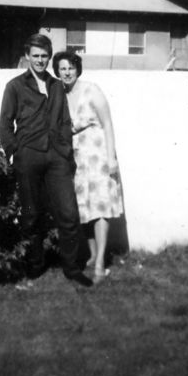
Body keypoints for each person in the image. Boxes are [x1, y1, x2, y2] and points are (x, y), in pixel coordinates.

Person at [0, 34, 93, 288]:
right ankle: (35, 266)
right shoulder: (15, 86)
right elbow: (5, 124)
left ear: (49, 57)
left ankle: (71, 268)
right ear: (27, 56)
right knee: (31, 215)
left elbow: (64, 121)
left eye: (44, 56)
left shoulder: (56, 86)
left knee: (69, 214)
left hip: (56, 157)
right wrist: (16, 151)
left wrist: (65, 151)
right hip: (28, 156)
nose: (40, 60)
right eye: (36, 55)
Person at [53, 51, 124, 283]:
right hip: (76, 159)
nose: (67, 73)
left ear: (78, 69)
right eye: (63, 69)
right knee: (83, 207)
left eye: (71, 68)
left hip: (98, 155)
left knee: (100, 206)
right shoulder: (60, 95)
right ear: (58, 72)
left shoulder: (91, 90)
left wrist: (111, 159)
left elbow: (108, 124)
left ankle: (101, 262)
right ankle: (92, 256)